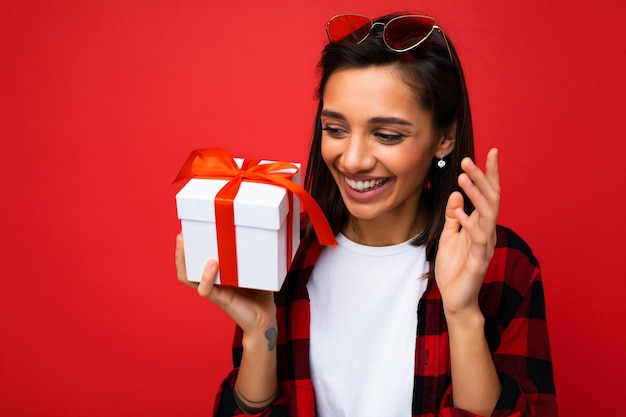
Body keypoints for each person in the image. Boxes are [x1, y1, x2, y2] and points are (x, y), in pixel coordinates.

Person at [175, 12, 557, 417]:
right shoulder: (286, 250)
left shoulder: (501, 264)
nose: (352, 160)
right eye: (335, 129)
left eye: (387, 135)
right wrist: (259, 332)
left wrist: (462, 314)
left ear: (444, 138)